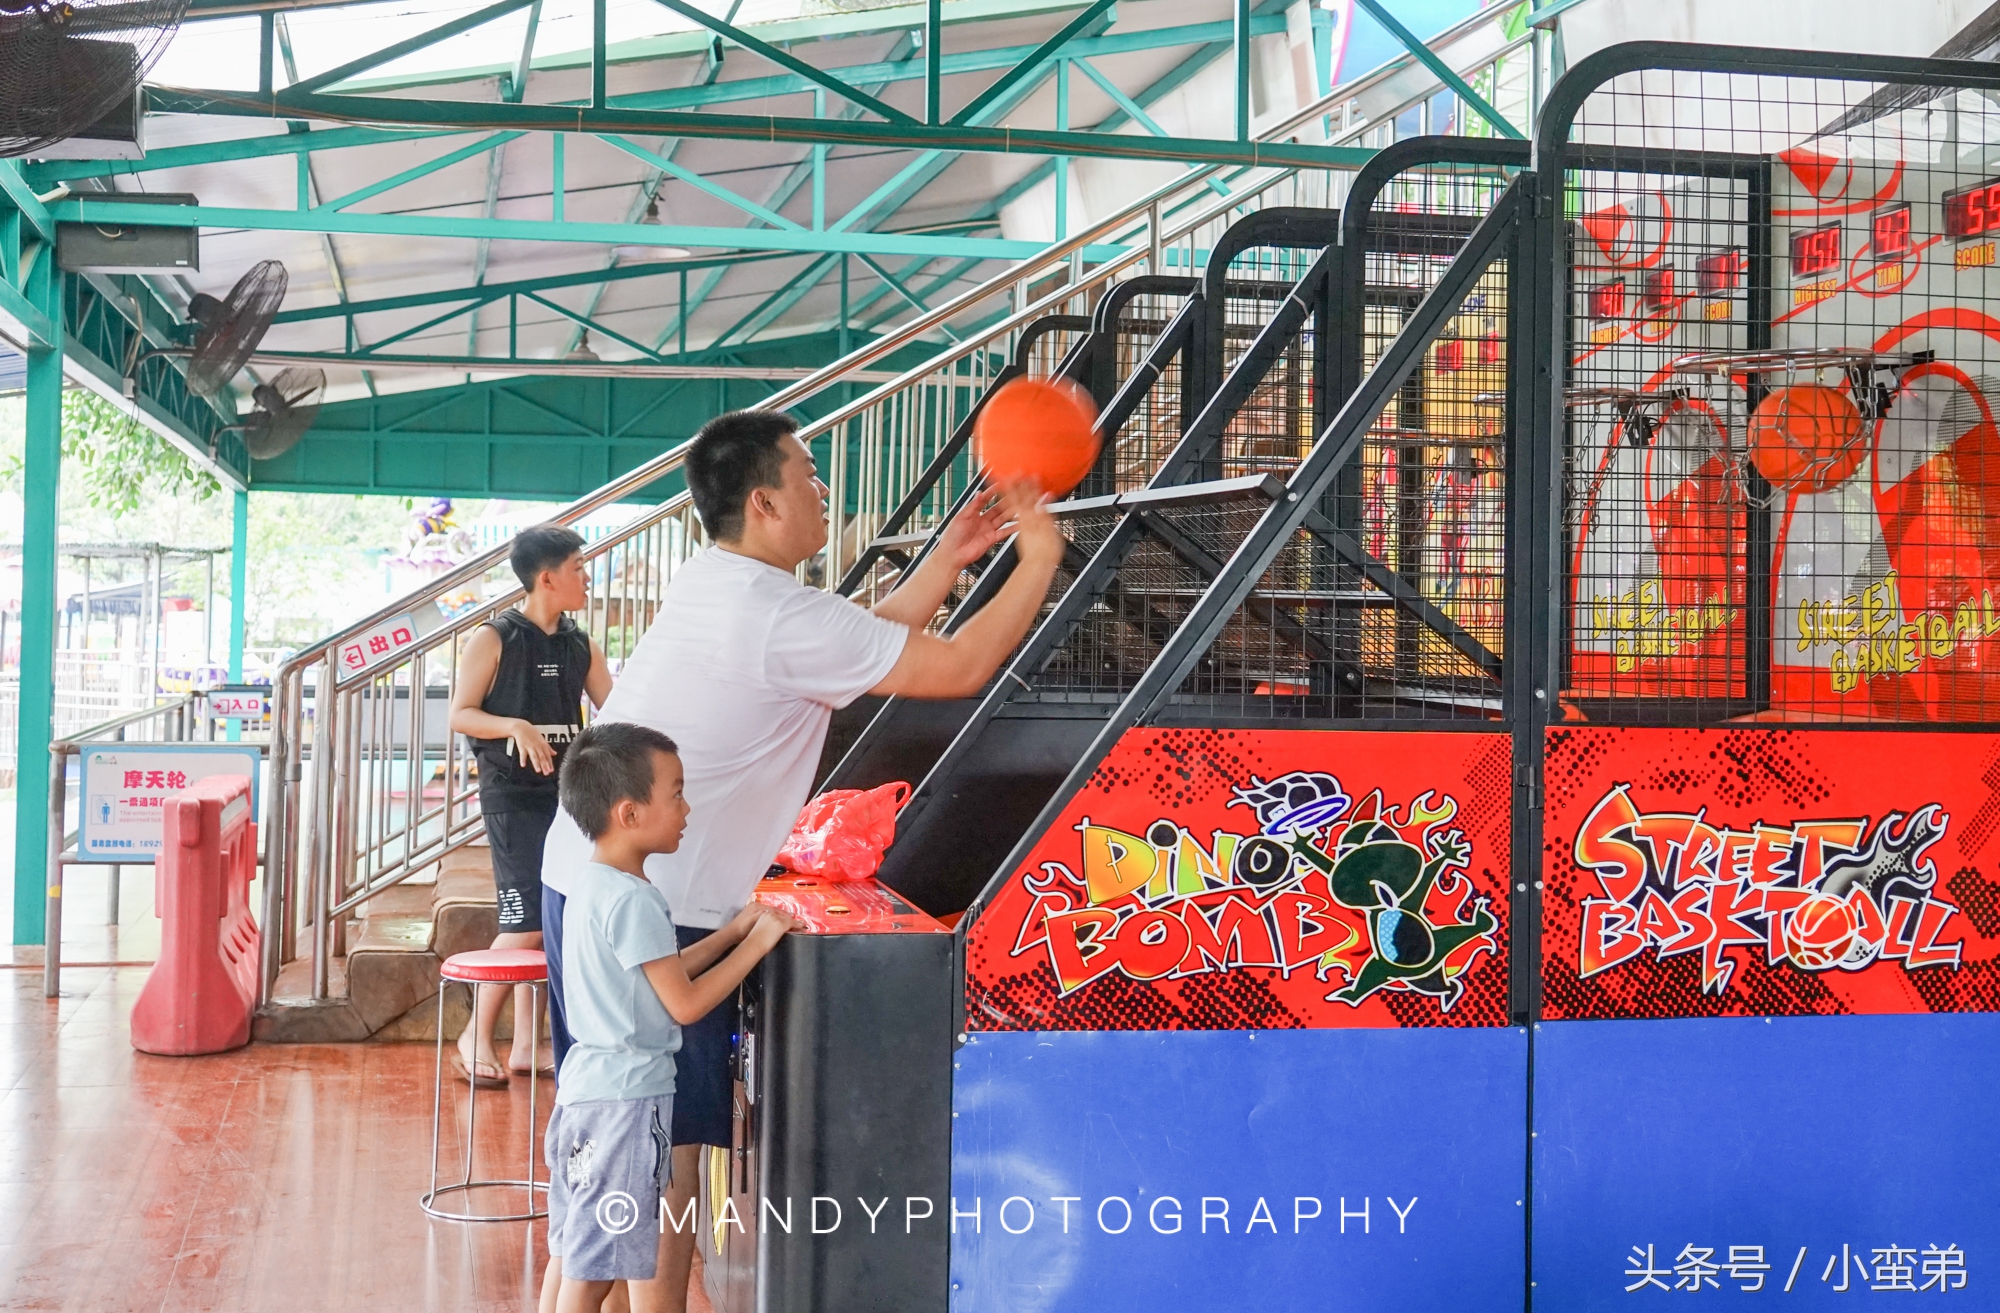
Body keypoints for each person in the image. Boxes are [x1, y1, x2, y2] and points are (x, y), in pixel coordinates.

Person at [540, 407, 1065, 1311]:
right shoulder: (775, 613)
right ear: (764, 502)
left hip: (587, 877)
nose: (825, 492)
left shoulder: (727, 583)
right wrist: (1044, 559)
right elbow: (958, 665)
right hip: (657, 901)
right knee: (657, 1160)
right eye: (811, 475)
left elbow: (861, 649)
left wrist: (946, 561)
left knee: (615, 1152)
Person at [536, 722, 794, 1313]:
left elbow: (661, 971)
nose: (686, 808)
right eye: (675, 793)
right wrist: (758, 945)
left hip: (586, 1094)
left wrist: (731, 933)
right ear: (629, 812)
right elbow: (685, 1002)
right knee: (598, 1269)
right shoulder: (637, 899)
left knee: (581, 1249)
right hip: (628, 1107)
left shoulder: (592, 885)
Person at [447, 525, 612, 1087]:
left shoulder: (580, 644)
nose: (586, 576)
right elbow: (462, 714)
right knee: (521, 924)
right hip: (511, 799)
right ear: (548, 578)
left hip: (568, 801)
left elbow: (615, 712)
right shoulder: (493, 639)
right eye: (578, 567)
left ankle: (525, 1045)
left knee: (548, 918)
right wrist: (514, 725)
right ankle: (474, 1036)